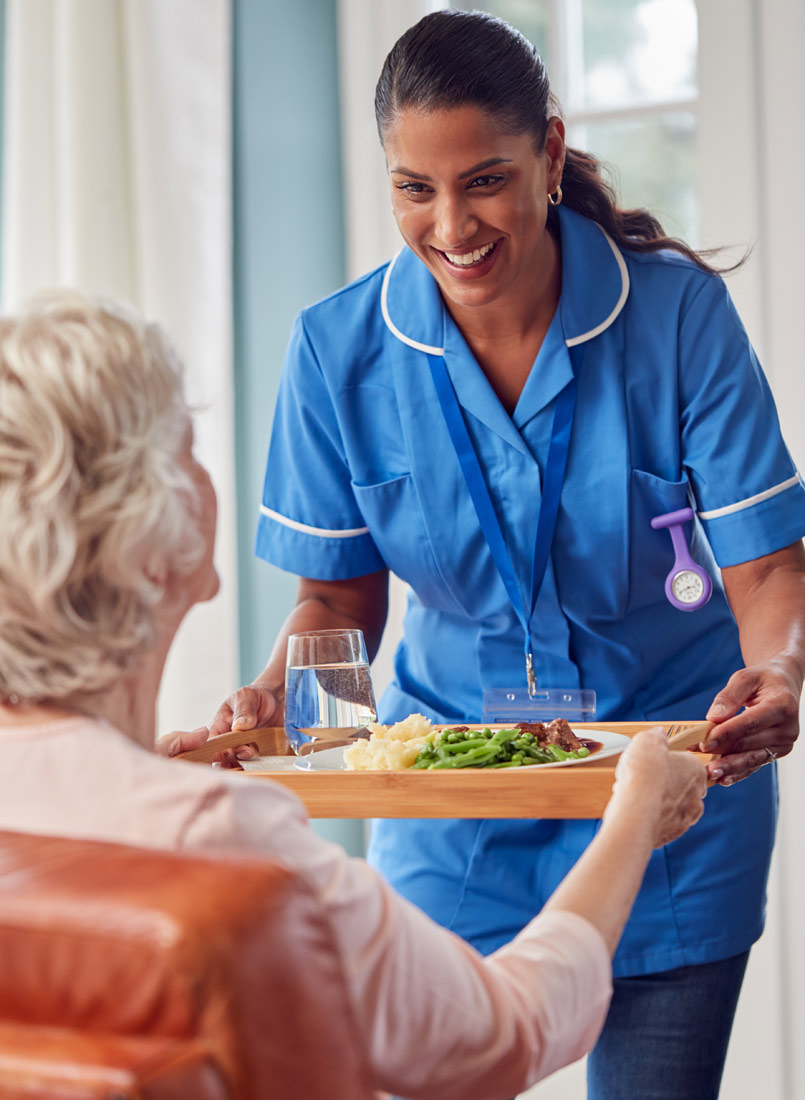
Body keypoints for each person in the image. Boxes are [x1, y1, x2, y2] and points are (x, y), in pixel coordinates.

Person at [205, 9, 805, 1100]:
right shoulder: (335, 351)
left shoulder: (677, 319)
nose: (451, 224)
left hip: (666, 792)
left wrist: (785, 669)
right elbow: (335, 592)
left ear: (552, 153)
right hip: (453, 811)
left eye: (484, 179)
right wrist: (275, 691)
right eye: (413, 188)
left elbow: (765, 567)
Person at [0, 290, 707, 1100]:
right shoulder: (231, 845)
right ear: (154, 542)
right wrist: (632, 818)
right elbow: (506, 1035)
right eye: (189, 450)